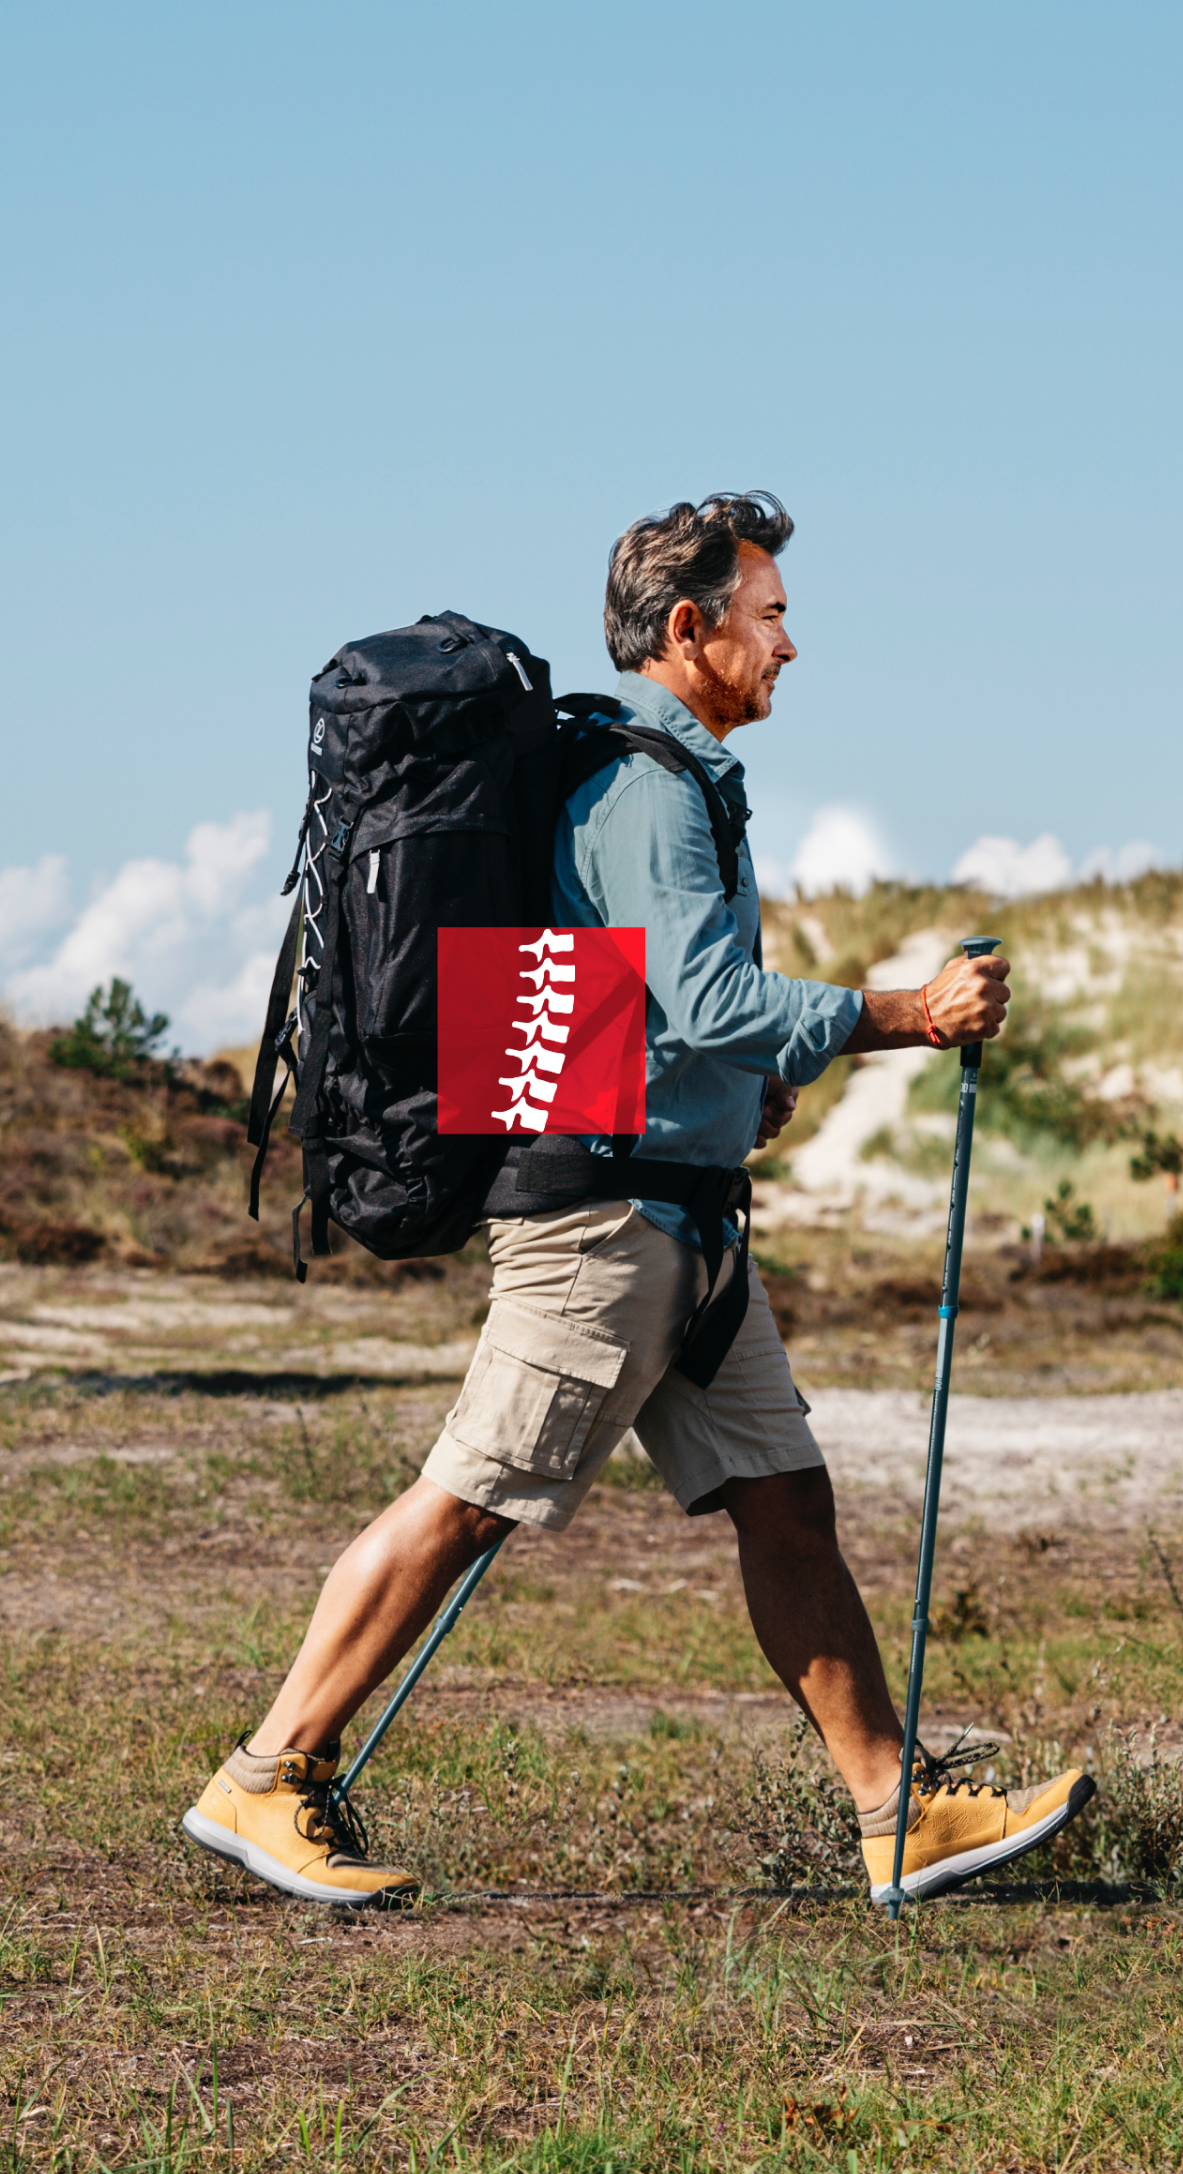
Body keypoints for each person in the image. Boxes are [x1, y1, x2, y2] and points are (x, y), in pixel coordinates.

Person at [184, 492, 1092, 1907]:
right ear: (689, 626)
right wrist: (910, 1012)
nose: (789, 646)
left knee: (785, 1502)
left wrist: (738, 1094)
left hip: (681, 1217)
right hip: (602, 1228)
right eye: (771, 617)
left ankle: (895, 1812)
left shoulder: (643, 773)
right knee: (471, 1498)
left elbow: (654, 1004)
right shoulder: (648, 788)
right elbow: (712, 995)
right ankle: (266, 1773)